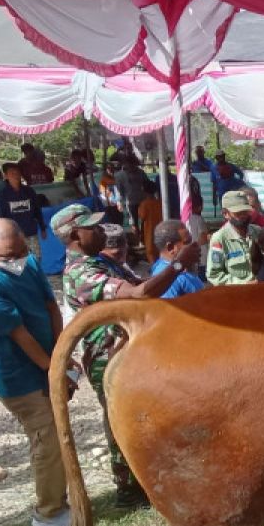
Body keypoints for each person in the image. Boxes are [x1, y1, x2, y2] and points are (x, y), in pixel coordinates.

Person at [60, 215, 201, 508]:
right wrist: (178, 264)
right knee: (119, 421)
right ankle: (127, 491)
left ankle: (145, 481)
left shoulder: (103, 263)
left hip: (126, 350)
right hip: (107, 354)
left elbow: (144, 288)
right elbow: (140, 293)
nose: (101, 231)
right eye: (93, 227)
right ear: (75, 233)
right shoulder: (81, 272)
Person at [0, 218, 73, 526]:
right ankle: (49, 513)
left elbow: (50, 306)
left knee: (56, 433)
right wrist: (54, 368)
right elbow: (20, 334)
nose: (15, 261)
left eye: (20, 252)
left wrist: (61, 355)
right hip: (18, 376)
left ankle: (60, 499)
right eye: (7, 257)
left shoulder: (29, 263)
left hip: (46, 362)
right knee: (47, 438)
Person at [207, 190, 263, 286]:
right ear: (225, 214)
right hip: (235, 295)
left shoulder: (258, 232)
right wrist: (243, 284)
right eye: (238, 213)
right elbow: (214, 275)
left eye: (245, 211)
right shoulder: (219, 238)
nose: (243, 216)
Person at [0, 162, 46, 260]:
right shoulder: (2, 195)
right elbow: (0, 217)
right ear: (5, 176)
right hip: (14, 235)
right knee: (18, 261)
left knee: (36, 259)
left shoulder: (29, 191)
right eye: (12, 173)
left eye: (17, 172)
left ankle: (35, 275)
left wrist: (42, 227)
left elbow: (37, 210)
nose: (16, 175)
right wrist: (2, 235)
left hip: (31, 232)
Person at [150, 220, 206, 298]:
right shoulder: (167, 281)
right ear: (170, 247)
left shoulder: (178, 269)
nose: (194, 245)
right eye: (187, 242)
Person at [137, 185, 164, 262]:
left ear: (145, 193)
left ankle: (155, 269)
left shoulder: (144, 204)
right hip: (160, 229)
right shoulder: (160, 202)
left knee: (150, 251)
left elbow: (142, 217)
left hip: (150, 231)